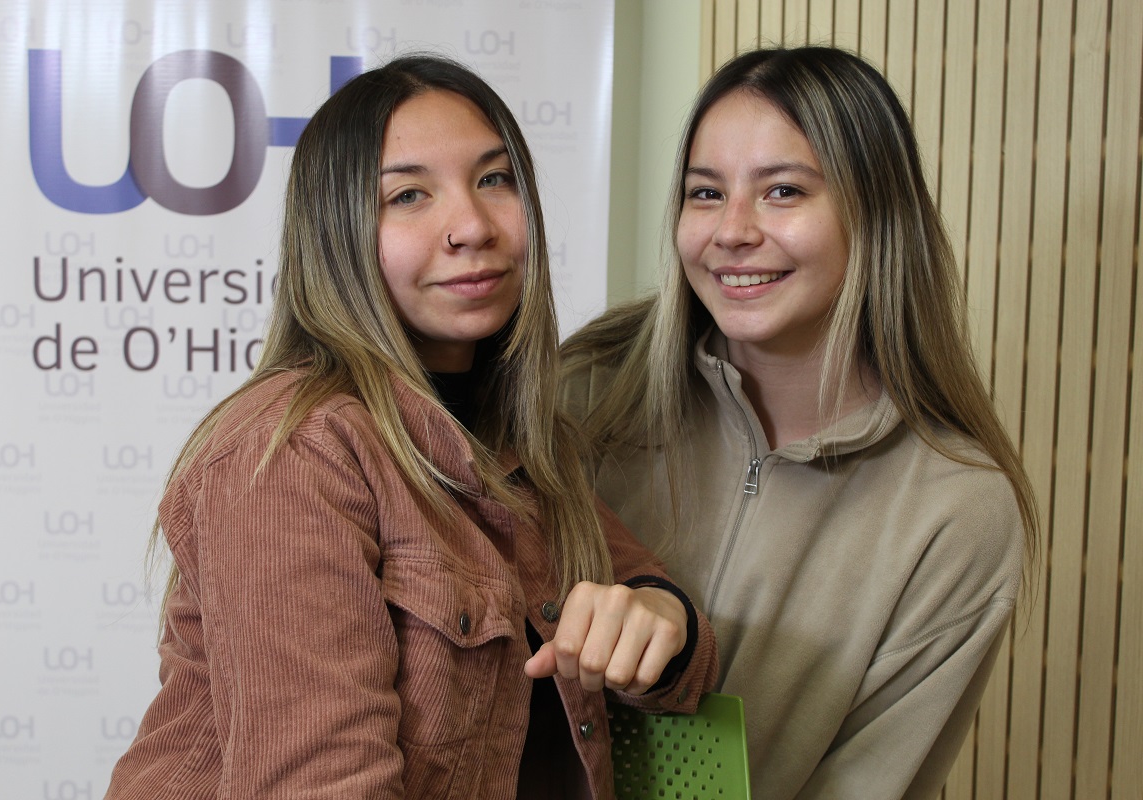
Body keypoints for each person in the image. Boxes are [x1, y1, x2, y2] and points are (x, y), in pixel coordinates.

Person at [104, 54, 717, 799]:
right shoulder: (297, 452)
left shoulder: (522, 440)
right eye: (409, 196)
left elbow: (674, 640)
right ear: (338, 233)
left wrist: (662, 618)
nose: (471, 226)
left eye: (495, 180)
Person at [560, 46, 1038, 800]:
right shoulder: (583, 394)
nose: (733, 231)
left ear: (875, 212)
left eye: (783, 191)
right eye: (705, 193)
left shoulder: (957, 510)